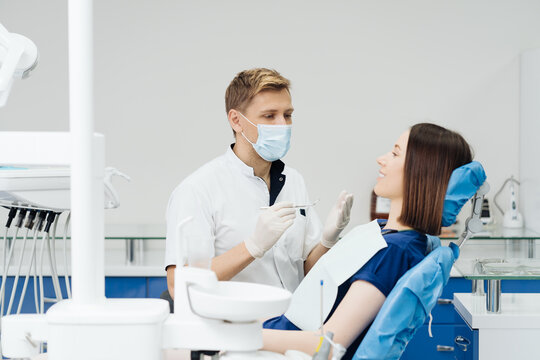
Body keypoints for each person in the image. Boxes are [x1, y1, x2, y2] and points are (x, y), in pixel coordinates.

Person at [262, 123, 474, 360]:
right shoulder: (388, 235)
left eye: (395, 153)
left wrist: (244, 335)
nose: (380, 159)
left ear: (421, 172)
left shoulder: (394, 252)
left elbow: (328, 344)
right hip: (282, 332)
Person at [165, 68, 354, 297]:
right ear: (236, 121)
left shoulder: (293, 180)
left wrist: (327, 240)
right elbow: (178, 286)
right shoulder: (197, 191)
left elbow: (305, 271)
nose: (283, 125)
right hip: (236, 326)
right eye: (269, 116)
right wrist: (252, 247)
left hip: (290, 322)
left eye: (287, 115)